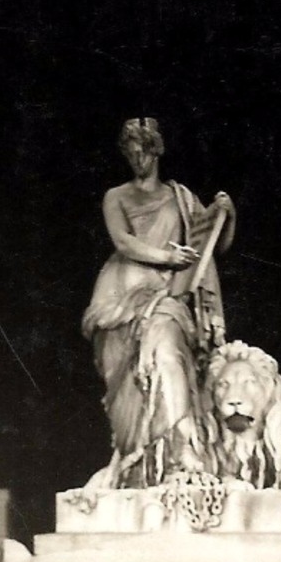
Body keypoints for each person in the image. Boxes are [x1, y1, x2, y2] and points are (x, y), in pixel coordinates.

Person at [81, 117, 236, 489]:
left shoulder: (180, 198)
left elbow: (213, 245)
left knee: (167, 353)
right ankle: (135, 458)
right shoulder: (116, 196)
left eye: (145, 151)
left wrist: (226, 216)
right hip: (119, 297)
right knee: (124, 384)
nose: (138, 159)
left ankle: (182, 448)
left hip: (168, 295)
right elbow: (123, 242)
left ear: (157, 150)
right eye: (131, 153)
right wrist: (167, 257)